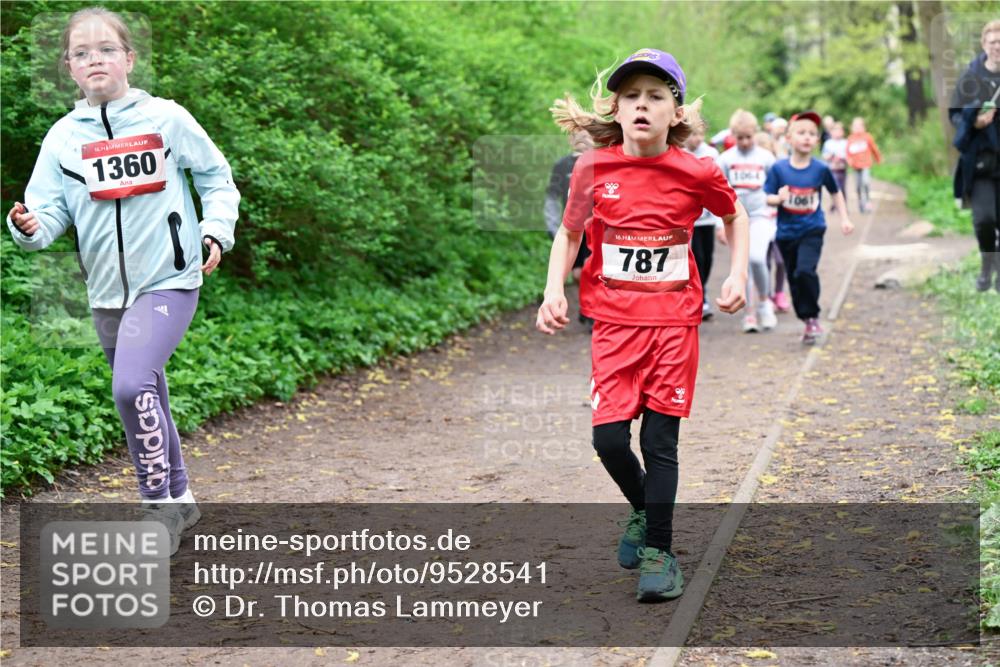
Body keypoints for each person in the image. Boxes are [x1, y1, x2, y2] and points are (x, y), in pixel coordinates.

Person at [6, 7, 240, 553]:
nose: (95, 59)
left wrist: (215, 232)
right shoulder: (63, 137)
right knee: (146, 389)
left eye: (106, 49)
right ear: (68, 67)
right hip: (106, 289)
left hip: (169, 279)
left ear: (129, 58)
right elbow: (47, 214)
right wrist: (28, 226)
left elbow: (216, 177)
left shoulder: (166, 119)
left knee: (131, 386)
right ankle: (181, 499)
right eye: (82, 52)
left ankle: (158, 506)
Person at [538, 49, 749, 602]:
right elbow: (570, 233)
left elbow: (734, 215)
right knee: (608, 440)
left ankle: (661, 551)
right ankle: (643, 509)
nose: (642, 105)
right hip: (612, 325)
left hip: (674, 325)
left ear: (675, 112)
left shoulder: (697, 170)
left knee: (659, 441)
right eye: (631, 96)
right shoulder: (592, 168)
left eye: (655, 96)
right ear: (617, 107)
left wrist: (737, 275)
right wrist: (551, 290)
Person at [764, 111, 853, 345]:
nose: (807, 138)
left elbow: (836, 192)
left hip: (812, 229)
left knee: (805, 271)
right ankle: (806, 318)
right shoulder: (779, 169)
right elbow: (766, 197)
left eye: (812, 134)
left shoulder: (821, 169)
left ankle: (813, 316)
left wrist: (844, 218)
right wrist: (778, 198)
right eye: (801, 133)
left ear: (817, 140)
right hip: (786, 233)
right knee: (794, 277)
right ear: (789, 138)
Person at [949, 19, 1000, 292]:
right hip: (980, 162)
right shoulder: (970, 76)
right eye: (993, 42)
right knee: (984, 220)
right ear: (984, 44)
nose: (997, 47)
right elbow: (955, 114)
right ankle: (986, 266)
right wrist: (974, 122)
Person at [717, 110, 777, 332]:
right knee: (743, 268)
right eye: (739, 138)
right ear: (732, 135)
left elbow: (777, 185)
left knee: (756, 259)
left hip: (762, 215)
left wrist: (776, 207)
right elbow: (717, 194)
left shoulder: (766, 158)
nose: (744, 142)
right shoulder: (725, 160)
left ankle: (764, 303)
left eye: (748, 137)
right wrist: (718, 225)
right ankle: (749, 315)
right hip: (735, 220)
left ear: (755, 133)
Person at [544, 129, 595, 322]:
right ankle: (586, 304)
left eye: (587, 135)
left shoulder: (600, 163)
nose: (583, 139)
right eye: (577, 135)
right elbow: (552, 197)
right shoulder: (562, 165)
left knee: (593, 270)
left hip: (596, 228)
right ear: (571, 139)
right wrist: (553, 225)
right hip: (574, 228)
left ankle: (592, 311)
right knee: (578, 273)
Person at [684, 124, 723, 320]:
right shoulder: (679, 154)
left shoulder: (711, 154)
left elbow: (720, 187)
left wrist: (719, 223)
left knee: (707, 258)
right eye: (692, 134)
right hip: (690, 221)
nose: (696, 139)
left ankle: (702, 288)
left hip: (708, 218)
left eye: (700, 134)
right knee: (696, 258)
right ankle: (700, 297)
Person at [755, 132, 791, 313]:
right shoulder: (752, 172)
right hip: (760, 221)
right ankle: (767, 293)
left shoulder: (777, 170)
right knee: (764, 260)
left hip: (778, 221)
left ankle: (779, 292)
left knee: (781, 259)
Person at [846, 116, 882, 213]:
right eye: (855, 126)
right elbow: (847, 152)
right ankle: (860, 203)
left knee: (865, 182)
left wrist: (878, 159)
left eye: (859, 125)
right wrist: (849, 160)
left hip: (866, 164)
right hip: (855, 166)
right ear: (852, 127)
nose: (857, 128)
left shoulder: (867, 137)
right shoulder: (850, 139)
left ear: (864, 127)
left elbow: (874, 149)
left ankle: (868, 202)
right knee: (857, 185)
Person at [822, 121, 849, 212]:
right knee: (834, 188)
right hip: (832, 169)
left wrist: (841, 158)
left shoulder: (845, 143)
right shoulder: (828, 143)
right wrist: (831, 157)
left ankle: (843, 205)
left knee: (842, 187)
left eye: (839, 131)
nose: (837, 133)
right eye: (835, 131)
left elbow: (848, 155)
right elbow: (824, 155)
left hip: (841, 169)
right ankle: (835, 204)